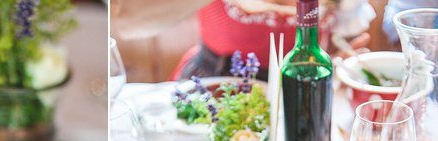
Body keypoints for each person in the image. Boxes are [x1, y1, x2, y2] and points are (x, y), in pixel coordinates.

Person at [112, 0, 373, 80]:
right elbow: (124, 18)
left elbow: (343, 27)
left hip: (304, 87)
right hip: (219, 85)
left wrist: (335, 61)